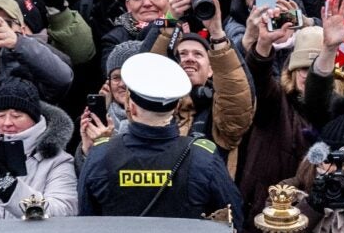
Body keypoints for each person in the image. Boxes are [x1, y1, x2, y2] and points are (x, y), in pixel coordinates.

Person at [78, 52, 241, 219]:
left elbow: (85, 220)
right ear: (177, 106)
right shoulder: (202, 156)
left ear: (131, 108)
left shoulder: (101, 154)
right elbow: (233, 218)